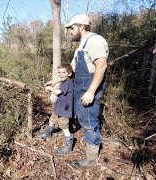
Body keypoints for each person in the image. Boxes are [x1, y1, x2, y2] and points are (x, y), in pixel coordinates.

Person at [45, 14, 108, 169]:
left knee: (89, 122)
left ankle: (91, 159)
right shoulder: (81, 46)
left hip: (88, 89)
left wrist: (91, 91)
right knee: (81, 117)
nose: (70, 32)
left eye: (72, 28)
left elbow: (101, 66)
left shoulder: (95, 41)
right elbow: (71, 69)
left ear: (82, 27)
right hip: (80, 88)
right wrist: (56, 81)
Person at [37, 64, 74, 155]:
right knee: (52, 120)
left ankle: (69, 144)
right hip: (59, 106)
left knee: (64, 127)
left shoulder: (68, 83)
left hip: (65, 110)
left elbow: (58, 92)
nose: (61, 74)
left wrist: (50, 88)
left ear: (69, 74)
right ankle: (47, 133)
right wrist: (52, 83)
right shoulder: (63, 81)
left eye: (63, 72)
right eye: (59, 72)